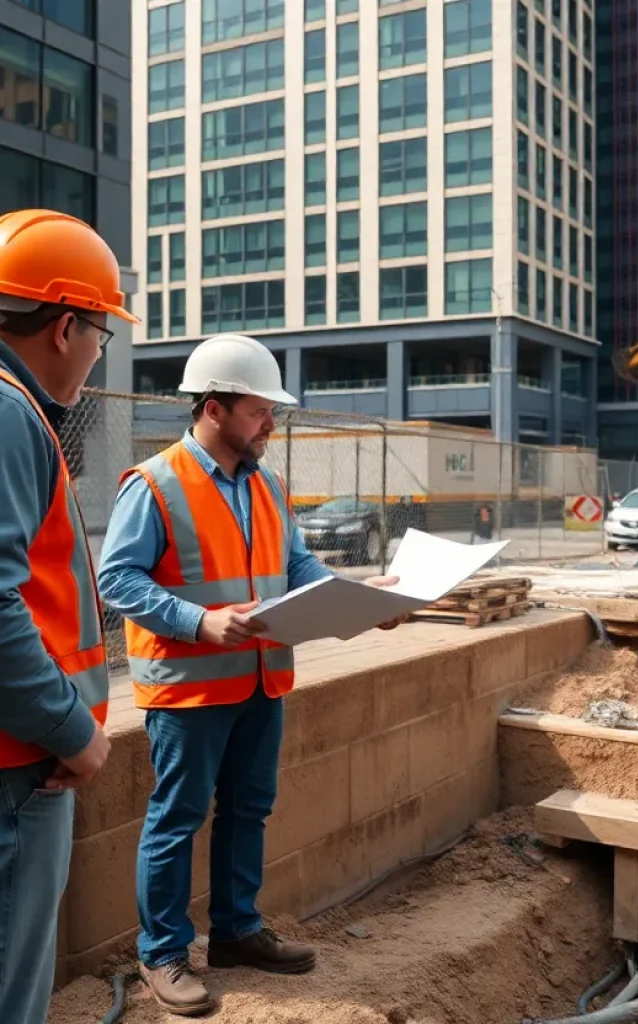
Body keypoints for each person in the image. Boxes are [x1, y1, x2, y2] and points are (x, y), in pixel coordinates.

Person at [98, 333, 405, 1016]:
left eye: (273, 412)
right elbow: (115, 578)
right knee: (177, 818)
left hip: (262, 679)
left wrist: (364, 595)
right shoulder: (154, 484)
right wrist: (197, 620)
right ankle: (164, 953)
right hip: (189, 685)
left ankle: (236, 932)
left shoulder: (268, 485)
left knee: (248, 810)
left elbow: (295, 568)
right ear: (213, 407)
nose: (271, 424)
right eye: (259, 411)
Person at [0, 209, 138, 1023]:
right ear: (62, 326)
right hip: (23, 766)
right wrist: (72, 731)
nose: (96, 352)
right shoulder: (11, 412)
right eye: (99, 332)